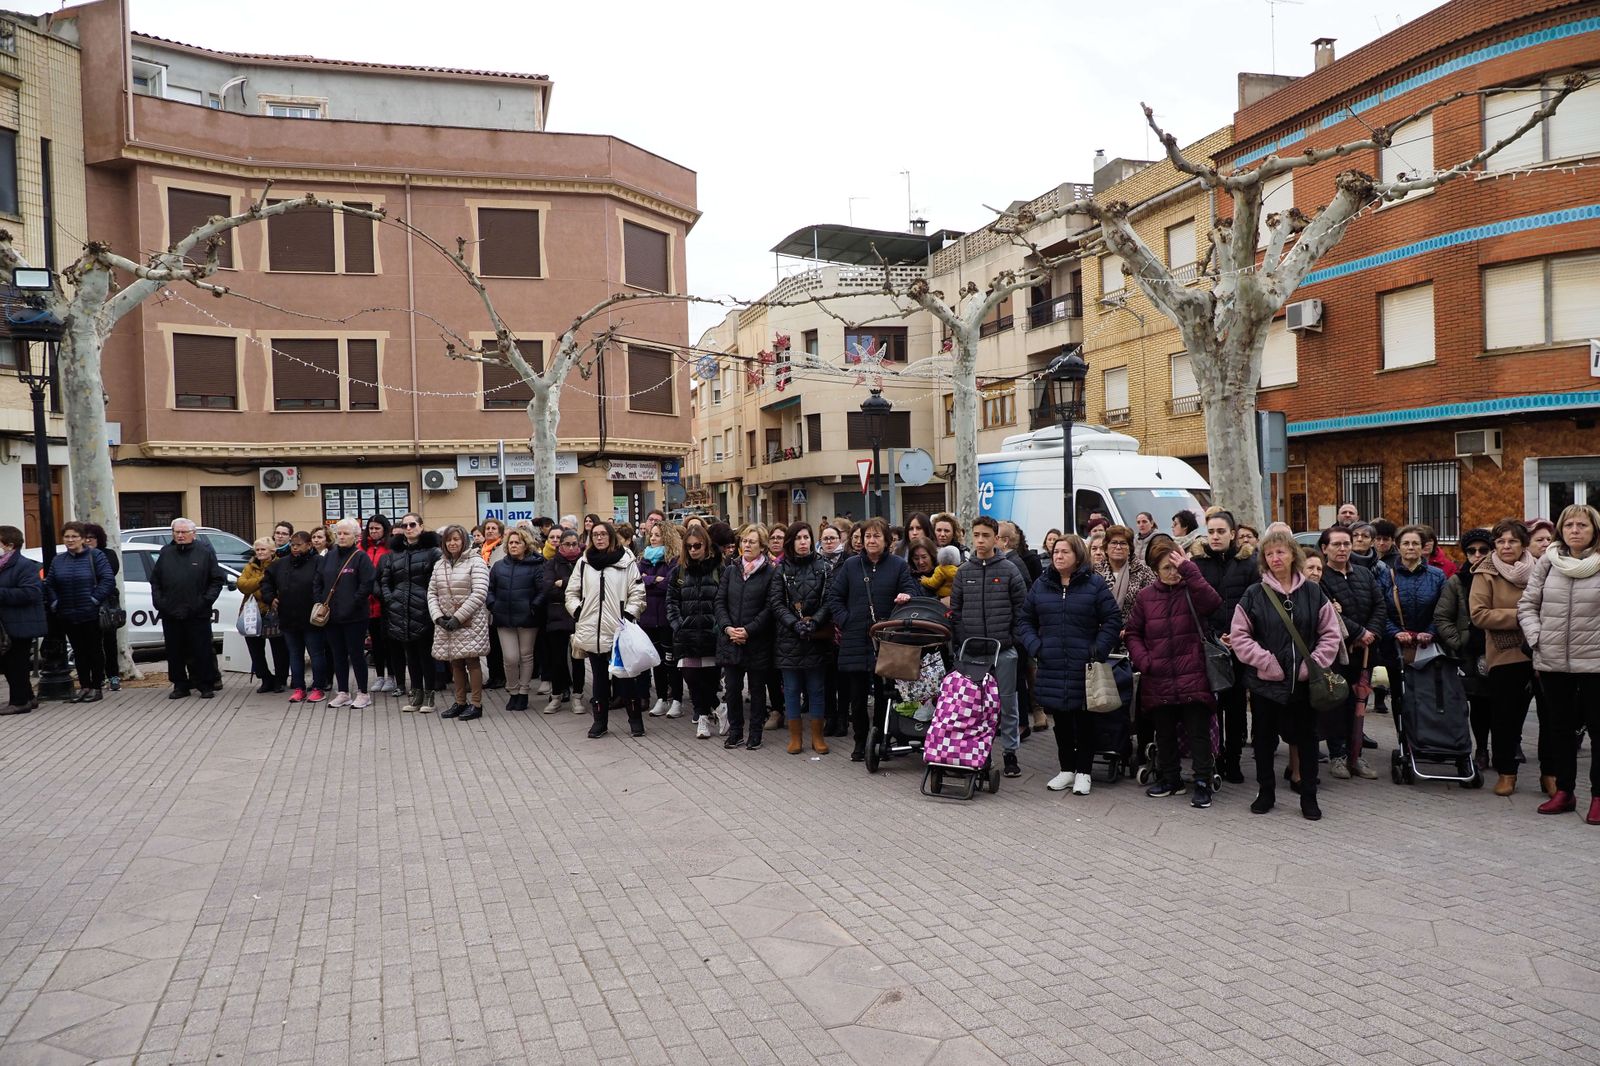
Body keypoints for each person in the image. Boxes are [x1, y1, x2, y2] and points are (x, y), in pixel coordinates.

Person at [1230, 530, 1343, 821]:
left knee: (1307, 739)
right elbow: (1240, 636)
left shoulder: (1313, 592)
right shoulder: (1254, 593)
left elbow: (1330, 634)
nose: (1275, 558)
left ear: (1293, 554)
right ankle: (1266, 792)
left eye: (1280, 552)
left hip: (1305, 683)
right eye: (1269, 554)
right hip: (1266, 683)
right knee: (1265, 740)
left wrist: (1313, 664)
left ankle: (1309, 797)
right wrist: (1266, 662)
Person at [1019, 534, 1121, 795]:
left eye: (1064, 552)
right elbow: (1025, 620)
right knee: (1061, 719)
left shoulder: (1094, 584)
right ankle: (1067, 770)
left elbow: (1112, 619)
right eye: (1055, 552)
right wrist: (1036, 646)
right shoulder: (1042, 585)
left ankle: (1084, 772)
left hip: (1083, 664)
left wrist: (1098, 649)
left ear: (1078, 555)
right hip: (1051, 663)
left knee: (1084, 719)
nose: (1058, 556)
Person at [1517, 503, 1600, 822]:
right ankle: (1564, 791)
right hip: (1552, 662)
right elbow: (1527, 606)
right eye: (1569, 525)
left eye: (1582, 525)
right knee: (1559, 729)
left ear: (1594, 530)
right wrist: (1538, 639)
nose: (1575, 530)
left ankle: (1597, 795)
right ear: (1560, 530)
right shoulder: (1547, 563)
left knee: (1597, 729)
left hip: (1595, 663)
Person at [1125, 544, 1223, 807]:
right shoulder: (1146, 597)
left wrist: (1189, 570)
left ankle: (1202, 782)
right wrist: (1144, 661)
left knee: (1198, 733)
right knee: (1164, 732)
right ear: (1156, 570)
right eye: (1166, 568)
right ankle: (1171, 778)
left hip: (1193, 674)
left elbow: (1214, 602)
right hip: (1159, 677)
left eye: (1176, 566)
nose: (1172, 572)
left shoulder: (1192, 589)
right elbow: (1133, 632)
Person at [827, 517, 916, 762]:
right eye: (867, 536)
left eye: (877, 536)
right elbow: (835, 596)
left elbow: (911, 590)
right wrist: (846, 620)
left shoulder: (898, 565)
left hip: (887, 640)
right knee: (856, 696)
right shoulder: (851, 565)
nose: (871, 540)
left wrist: (905, 596)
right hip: (855, 637)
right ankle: (859, 741)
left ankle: (880, 740)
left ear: (887, 540)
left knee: (884, 694)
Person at [951, 517, 1030, 777]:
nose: (981, 540)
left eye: (986, 535)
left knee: (1007, 703)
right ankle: (976, 752)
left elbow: (1022, 610)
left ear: (997, 538)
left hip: (1003, 650)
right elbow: (956, 610)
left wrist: (1012, 639)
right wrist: (963, 638)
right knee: (973, 705)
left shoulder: (1009, 570)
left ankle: (1010, 753)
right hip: (972, 651)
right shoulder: (964, 571)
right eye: (977, 535)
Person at [1465, 520, 1533, 796]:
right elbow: (1479, 614)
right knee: (1505, 717)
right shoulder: (1485, 573)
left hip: (1543, 649)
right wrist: (1522, 615)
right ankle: (1507, 773)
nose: (1506, 546)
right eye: (1501, 541)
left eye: (1512, 541)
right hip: (1505, 652)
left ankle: (1551, 774)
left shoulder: (1540, 568)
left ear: (1523, 545)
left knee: (1552, 719)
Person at [1192, 510, 1259, 784]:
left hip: (1238, 645)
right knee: (1210, 706)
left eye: (1221, 531)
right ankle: (1213, 757)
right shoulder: (1197, 563)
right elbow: (1194, 605)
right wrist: (1212, 635)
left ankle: (1233, 760)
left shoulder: (1249, 564)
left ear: (1233, 534)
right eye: (1211, 531)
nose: (1215, 536)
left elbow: (1253, 603)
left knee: (1234, 706)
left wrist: (1237, 634)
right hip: (1208, 644)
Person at [1318, 524, 1385, 781]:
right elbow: (1330, 613)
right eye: (1337, 544)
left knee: (1359, 704)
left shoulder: (1364, 574)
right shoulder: (1320, 577)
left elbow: (1380, 604)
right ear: (1325, 549)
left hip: (1365, 653)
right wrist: (1357, 633)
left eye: (1346, 544)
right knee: (1338, 704)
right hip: (1337, 654)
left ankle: (1356, 754)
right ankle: (1338, 755)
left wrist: (1371, 634)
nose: (1343, 549)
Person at [566, 520, 645, 738]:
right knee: (599, 680)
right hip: (592, 629)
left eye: (603, 534)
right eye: (595, 534)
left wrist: (628, 614)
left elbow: (638, 592)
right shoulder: (584, 562)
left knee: (626, 678)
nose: (599, 538)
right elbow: (571, 592)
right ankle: (600, 722)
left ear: (611, 536)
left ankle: (635, 720)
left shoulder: (626, 560)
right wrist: (577, 611)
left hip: (619, 629)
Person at [769, 521, 834, 755]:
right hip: (789, 637)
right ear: (791, 542)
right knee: (792, 689)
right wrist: (794, 623)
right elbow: (776, 603)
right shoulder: (781, 569)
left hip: (815, 636)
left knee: (817, 689)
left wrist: (814, 621)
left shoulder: (824, 566)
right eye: (798, 538)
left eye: (806, 537)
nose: (803, 542)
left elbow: (829, 599)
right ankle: (795, 738)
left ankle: (818, 736)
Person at [1379, 524, 1448, 735]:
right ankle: (1404, 738)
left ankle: (1428, 736)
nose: (1410, 547)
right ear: (1398, 547)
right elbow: (1380, 609)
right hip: (1397, 647)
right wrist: (1395, 632)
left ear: (1423, 547)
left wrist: (1431, 631)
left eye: (1415, 543)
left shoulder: (1437, 576)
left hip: (1428, 647)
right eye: (1406, 543)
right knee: (1400, 694)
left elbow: (1443, 609)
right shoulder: (1386, 576)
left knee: (1428, 694)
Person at [1435, 528, 1493, 772]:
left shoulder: (1500, 576)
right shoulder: (1457, 581)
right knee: (1474, 704)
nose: (1477, 555)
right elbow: (1442, 617)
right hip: (1468, 653)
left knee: (1497, 705)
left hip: (1498, 651)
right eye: (1471, 550)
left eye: (1483, 550)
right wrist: (1459, 641)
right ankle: (1476, 749)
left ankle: (1503, 748)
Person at [715, 524, 776, 750]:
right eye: (744, 541)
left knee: (758, 689)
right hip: (731, 639)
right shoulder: (731, 570)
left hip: (756, 640)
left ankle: (755, 733)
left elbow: (770, 607)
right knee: (732, 688)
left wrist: (748, 630)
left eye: (752, 542)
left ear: (762, 546)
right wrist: (728, 628)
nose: (747, 545)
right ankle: (736, 731)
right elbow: (720, 602)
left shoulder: (770, 572)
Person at [150, 517, 225, 700]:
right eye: (177, 532)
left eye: (184, 532)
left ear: (193, 534)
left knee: (202, 650)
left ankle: (205, 685)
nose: (180, 535)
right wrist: (161, 603)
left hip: (197, 613)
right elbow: (156, 581)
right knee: (175, 652)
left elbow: (216, 580)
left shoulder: (204, 552)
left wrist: (204, 601)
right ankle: (180, 685)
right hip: (171, 613)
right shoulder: (166, 552)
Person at [47, 521, 115, 703]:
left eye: (74, 536)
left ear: (83, 539)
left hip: (91, 613)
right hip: (68, 613)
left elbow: (107, 580)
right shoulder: (58, 560)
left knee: (94, 649)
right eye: (67, 537)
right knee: (79, 651)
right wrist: (55, 603)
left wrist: (93, 600)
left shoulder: (96, 556)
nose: (70, 540)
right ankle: (84, 686)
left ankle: (96, 686)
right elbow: (50, 583)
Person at [380, 513, 442, 713]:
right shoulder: (394, 553)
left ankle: (430, 695)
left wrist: (427, 600)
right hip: (400, 610)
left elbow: (438, 581)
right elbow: (385, 580)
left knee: (425, 654)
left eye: (412, 524)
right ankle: (416, 695)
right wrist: (391, 599)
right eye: (405, 525)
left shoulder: (433, 552)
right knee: (410, 655)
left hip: (424, 609)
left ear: (421, 526)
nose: (408, 528)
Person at [313, 517, 378, 710]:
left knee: (356, 654)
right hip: (331, 616)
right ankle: (343, 692)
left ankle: (363, 693)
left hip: (355, 617)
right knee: (337, 654)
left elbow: (366, 585)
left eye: (346, 533)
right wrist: (319, 600)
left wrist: (352, 604)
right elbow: (318, 580)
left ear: (356, 536)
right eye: (339, 533)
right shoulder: (329, 557)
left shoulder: (361, 557)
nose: (341, 537)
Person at [430, 524, 491, 721]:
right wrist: (438, 616)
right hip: (446, 622)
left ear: (464, 540)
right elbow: (431, 592)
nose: (452, 543)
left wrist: (459, 617)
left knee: (471, 661)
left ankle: (476, 704)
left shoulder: (476, 562)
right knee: (454, 662)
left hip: (468, 621)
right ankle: (459, 701)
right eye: (449, 540)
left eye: (456, 539)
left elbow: (479, 593)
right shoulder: (440, 564)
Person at [668, 527, 723, 739]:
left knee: (710, 680)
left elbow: (724, 598)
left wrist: (718, 625)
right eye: (689, 546)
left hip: (712, 634)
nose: (693, 550)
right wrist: (678, 624)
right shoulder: (679, 570)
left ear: (706, 544)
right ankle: (709, 714)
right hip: (687, 635)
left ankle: (706, 716)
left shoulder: (719, 568)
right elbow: (671, 601)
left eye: (697, 545)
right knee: (691, 678)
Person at [263, 531, 328, 702]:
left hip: (311, 617)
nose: (295, 548)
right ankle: (299, 687)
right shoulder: (280, 564)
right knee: (295, 654)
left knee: (316, 654)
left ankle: (318, 687)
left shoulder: (319, 562)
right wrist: (270, 598)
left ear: (309, 545)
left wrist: (322, 603)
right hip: (288, 617)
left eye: (299, 545)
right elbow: (266, 582)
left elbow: (327, 584)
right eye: (293, 545)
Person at [487, 526, 544, 711]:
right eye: (510, 542)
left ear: (525, 545)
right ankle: (512, 690)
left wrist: (533, 607)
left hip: (528, 618)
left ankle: (524, 692)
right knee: (510, 658)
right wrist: (493, 605)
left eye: (517, 542)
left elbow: (542, 590)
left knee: (526, 655)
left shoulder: (536, 565)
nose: (513, 545)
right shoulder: (498, 566)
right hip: (504, 617)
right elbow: (489, 589)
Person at [638, 522, 682, 719]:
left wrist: (652, 580)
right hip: (648, 618)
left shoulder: (673, 560)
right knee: (656, 661)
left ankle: (677, 700)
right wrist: (651, 580)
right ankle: (661, 698)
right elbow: (638, 581)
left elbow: (669, 585)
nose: (653, 538)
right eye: (651, 535)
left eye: (657, 535)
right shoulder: (644, 559)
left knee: (671, 660)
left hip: (666, 617)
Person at [0, 525, 46, 713]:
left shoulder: (24, 565)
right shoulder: (3, 565)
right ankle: (28, 697)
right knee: (10, 663)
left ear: (10, 545)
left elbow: (31, 593)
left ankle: (19, 702)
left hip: (20, 623)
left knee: (15, 663)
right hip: (7, 624)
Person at [235, 538, 288, 694]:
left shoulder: (280, 564)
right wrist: (263, 579)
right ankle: (265, 678)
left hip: (274, 612)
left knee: (279, 649)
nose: (259, 553)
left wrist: (258, 586)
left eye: (263, 550)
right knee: (255, 650)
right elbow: (243, 585)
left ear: (272, 551)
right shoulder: (250, 566)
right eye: (257, 550)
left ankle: (280, 680)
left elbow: (278, 587)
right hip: (252, 612)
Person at [539, 528, 584, 714]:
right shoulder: (552, 563)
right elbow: (548, 589)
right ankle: (556, 695)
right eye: (567, 544)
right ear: (561, 545)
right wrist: (570, 587)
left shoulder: (584, 562)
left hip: (578, 617)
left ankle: (578, 696)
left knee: (578, 659)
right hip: (556, 616)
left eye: (574, 544)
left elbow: (585, 589)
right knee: (557, 659)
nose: (571, 547)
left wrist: (563, 583)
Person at [81, 524, 123, 690]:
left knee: (110, 641)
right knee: (90, 643)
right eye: (85, 537)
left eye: (91, 537)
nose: (88, 540)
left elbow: (108, 574)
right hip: (85, 605)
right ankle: (96, 677)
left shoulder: (108, 555)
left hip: (106, 605)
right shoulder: (77, 556)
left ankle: (113, 675)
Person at [1096, 524, 1156, 624]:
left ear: (1130, 549)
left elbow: (1153, 603)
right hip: (1100, 631)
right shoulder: (1094, 572)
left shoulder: (1143, 571)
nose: (1118, 547)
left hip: (1133, 630)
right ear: (1106, 548)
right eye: (1114, 543)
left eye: (1123, 543)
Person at [361, 515, 393, 694]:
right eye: (371, 528)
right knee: (375, 643)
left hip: (385, 603)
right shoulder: (362, 548)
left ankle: (392, 677)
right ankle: (380, 675)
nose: (373, 532)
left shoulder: (389, 548)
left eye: (377, 529)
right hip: (368, 605)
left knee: (389, 643)